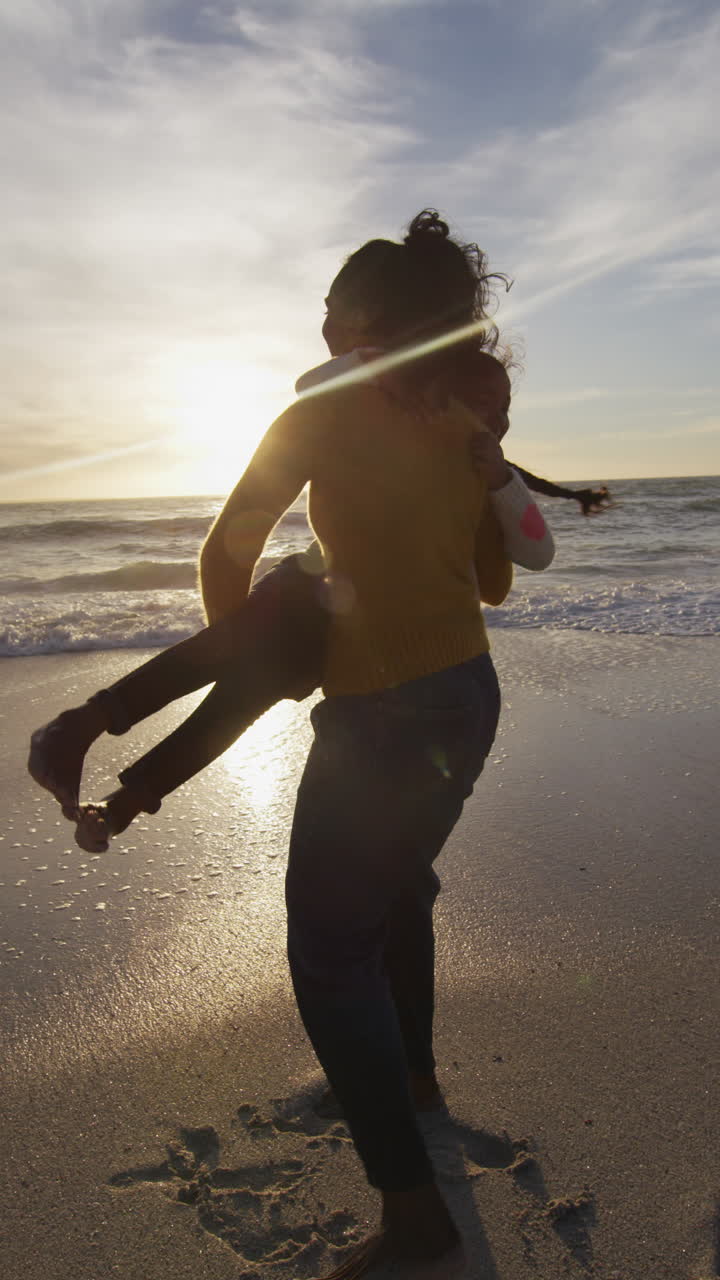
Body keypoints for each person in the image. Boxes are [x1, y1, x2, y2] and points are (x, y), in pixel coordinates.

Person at [30, 210, 557, 1277]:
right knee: (398, 881)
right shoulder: (466, 407)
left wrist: (248, 648)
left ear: (366, 312)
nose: (317, 318)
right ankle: (410, 1074)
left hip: (383, 713)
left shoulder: (318, 404)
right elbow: (495, 575)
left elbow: (229, 539)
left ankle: (413, 1214)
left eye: (329, 300)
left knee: (325, 951)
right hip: (468, 694)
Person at [29, 348, 555, 854]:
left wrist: (496, 485)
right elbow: (324, 385)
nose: (498, 415)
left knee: (236, 706)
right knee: (227, 676)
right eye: (484, 398)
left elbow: (509, 574)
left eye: (505, 403)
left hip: (337, 628)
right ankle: (82, 736)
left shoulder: (480, 473)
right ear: (438, 389)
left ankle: (115, 795)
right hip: (307, 590)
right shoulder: (383, 422)